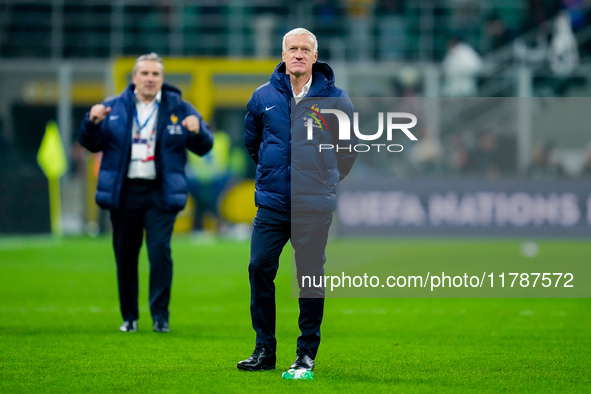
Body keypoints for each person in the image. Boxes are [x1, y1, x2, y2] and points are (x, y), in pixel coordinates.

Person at [237, 28, 357, 372]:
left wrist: (325, 180)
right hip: (273, 204)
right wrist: (273, 175)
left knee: (309, 278)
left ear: (315, 57)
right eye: (293, 48)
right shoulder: (262, 97)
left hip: (313, 205)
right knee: (259, 268)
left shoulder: (338, 100)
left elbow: (347, 152)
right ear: (284, 54)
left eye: (306, 49)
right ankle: (264, 351)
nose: (299, 54)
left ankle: (306, 353)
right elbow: (252, 143)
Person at [78, 53, 214, 333]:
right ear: (134, 77)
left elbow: (204, 146)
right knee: (125, 255)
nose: (150, 79)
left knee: (160, 251)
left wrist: (198, 131)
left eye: (155, 74)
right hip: (125, 191)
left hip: (160, 192)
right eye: (145, 74)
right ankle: (129, 317)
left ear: (162, 79)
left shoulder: (180, 107)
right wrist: (91, 123)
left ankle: (160, 317)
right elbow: (91, 144)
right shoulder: (112, 107)